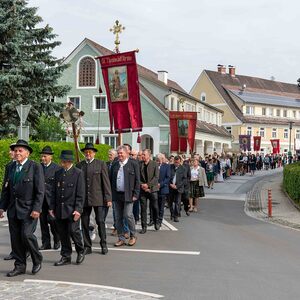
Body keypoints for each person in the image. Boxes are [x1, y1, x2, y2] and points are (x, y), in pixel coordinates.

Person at [0, 140, 44, 277]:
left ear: (27, 153)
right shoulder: (10, 167)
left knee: (27, 235)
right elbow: (5, 189)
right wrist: (2, 207)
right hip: (13, 209)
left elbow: (40, 190)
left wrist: (37, 208)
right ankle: (19, 266)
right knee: (16, 239)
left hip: (29, 209)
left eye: (20, 150)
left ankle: (37, 259)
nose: (17, 153)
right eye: (16, 150)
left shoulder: (35, 167)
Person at [50, 150, 85, 266]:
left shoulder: (78, 173)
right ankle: (66, 256)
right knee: (63, 233)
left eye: (63, 161)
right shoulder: (58, 173)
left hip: (72, 209)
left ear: (69, 161)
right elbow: (54, 192)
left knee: (73, 231)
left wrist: (78, 210)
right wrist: (51, 208)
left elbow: (80, 194)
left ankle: (80, 251)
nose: (61, 163)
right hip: (60, 209)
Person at [76, 143, 112, 255]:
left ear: (94, 153)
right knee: (85, 223)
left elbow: (106, 182)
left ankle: (103, 244)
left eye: (90, 152)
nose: (88, 154)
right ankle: (87, 246)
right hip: (84, 199)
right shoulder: (79, 165)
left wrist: (108, 198)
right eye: (86, 152)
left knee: (100, 221)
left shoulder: (100, 164)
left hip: (98, 198)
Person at [110, 145, 140, 246]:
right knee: (118, 217)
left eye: (121, 153)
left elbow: (137, 180)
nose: (119, 155)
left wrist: (136, 193)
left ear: (127, 154)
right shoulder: (115, 165)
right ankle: (121, 237)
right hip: (117, 195)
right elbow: (110, 180)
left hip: (129, 195)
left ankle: (133, 235)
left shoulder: (133, 164)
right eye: (118, 153)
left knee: (128, 215)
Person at [39, 146, 61, 251]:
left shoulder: (57, 168)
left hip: (52, 200)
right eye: (42, 156)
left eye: (45, 156)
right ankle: (46, 243)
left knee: (53, 221)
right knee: (43, 223)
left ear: (50, 156)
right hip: (40, 200)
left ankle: (57, 240)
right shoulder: (38, 167)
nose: (43, 158)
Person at [139, 149, 160, 234]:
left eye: (144, 154)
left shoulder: (155, 164)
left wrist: (148, 185)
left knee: (155, 207)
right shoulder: (139, 164)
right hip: (143, 190)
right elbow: (137, 177)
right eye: (142, 155)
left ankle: (156, 221)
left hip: (152, 189)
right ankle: (144, 227)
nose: (142, 156)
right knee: (143, 209)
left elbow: (156, 177)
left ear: (149, 155)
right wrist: (142, 185)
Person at [169, 156, 186, 222]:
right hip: (170, 187)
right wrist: (170, 184)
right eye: (175, 162)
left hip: (178, 188)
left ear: (180, 162)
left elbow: (184, 179)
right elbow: (167, 176)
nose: (177, 164)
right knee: (170, 202)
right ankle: (172, 213)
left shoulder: (183, 168)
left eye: (178, 163)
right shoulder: (170, 167)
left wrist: (177, 186)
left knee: (177, 202)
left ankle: (176, 216)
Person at [156, 153, 170, 225]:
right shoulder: (155, 165)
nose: (157, 160)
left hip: (163, 188)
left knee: (161, 206)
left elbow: (168, 177)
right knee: (155, 205)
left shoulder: (166, 166)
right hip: (155, 188)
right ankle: (155, 218)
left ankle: (160, 220)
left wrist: (160, 184)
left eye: (158, 159)